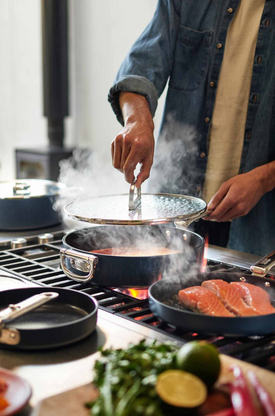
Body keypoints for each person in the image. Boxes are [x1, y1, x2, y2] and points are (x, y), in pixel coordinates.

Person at [108, 0, 275, 256]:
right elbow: (141, 66)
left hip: (261, 226)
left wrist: (264, 178)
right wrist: (137, 120)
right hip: (176, 215)